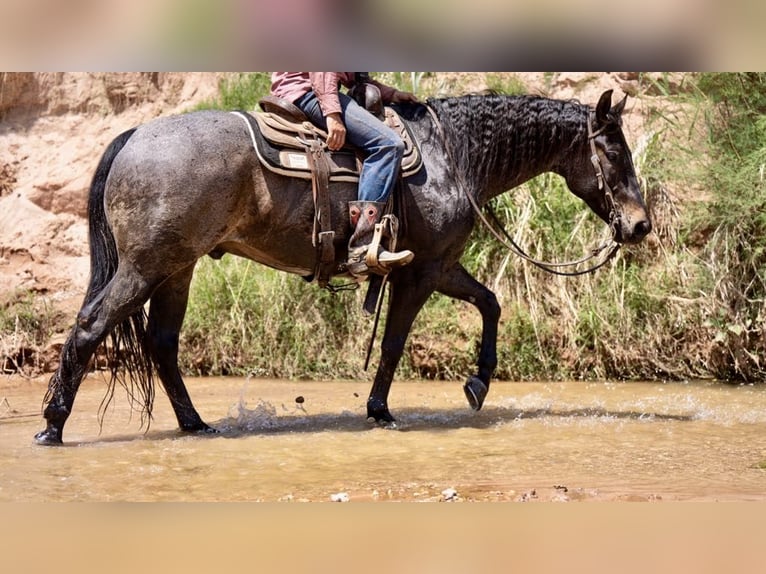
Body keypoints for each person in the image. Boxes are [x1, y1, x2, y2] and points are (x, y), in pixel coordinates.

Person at [270, 72, 418, 277]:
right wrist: (332, 115)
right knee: (389, 145)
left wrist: (392, 94)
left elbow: (357, 80)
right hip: (311, 93)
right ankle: (362, 245)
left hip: (304, 91)